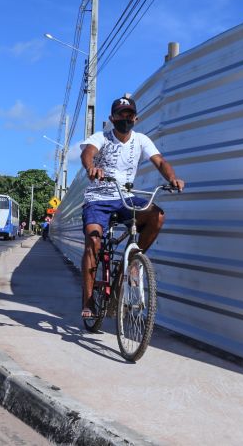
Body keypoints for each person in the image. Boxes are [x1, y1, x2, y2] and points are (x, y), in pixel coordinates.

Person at [79, 94, 185, 318]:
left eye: (129, 115)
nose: (125, 119)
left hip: (125, 197)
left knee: (157, 216)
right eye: (120, 115)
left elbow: (161, 162)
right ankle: (88, 300)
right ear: (112, 118)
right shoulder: (102, 137)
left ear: (135, 119)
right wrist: (91, 168)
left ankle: (132, 260)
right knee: (93, 239)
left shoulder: (141, 140)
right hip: (99, 197)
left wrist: (172, 178)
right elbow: (88, 152)